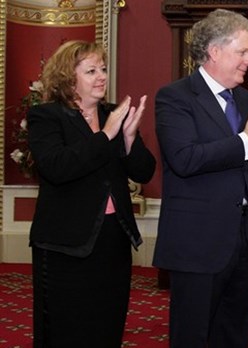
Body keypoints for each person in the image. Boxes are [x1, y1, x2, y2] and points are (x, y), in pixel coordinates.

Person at [152, 9, 248, 348]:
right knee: (192, 337)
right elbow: (185, 159)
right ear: (214, 51)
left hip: (243, 246)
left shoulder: (246, 100)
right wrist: (246, 138)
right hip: (197, 246)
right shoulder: (176, 97)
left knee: (234, 336)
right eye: (243, 51)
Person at [27, 40, 156, 347]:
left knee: (107, 324)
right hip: (64, 244)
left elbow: (144, 172)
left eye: (103, 69)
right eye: (91, 70)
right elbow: (57, 168)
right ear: (67, 77)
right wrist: (106, 135)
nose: (101, 76)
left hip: (112, 238)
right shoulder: (46, 116)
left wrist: (127, 138)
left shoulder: (114, 114)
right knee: (66, 328)